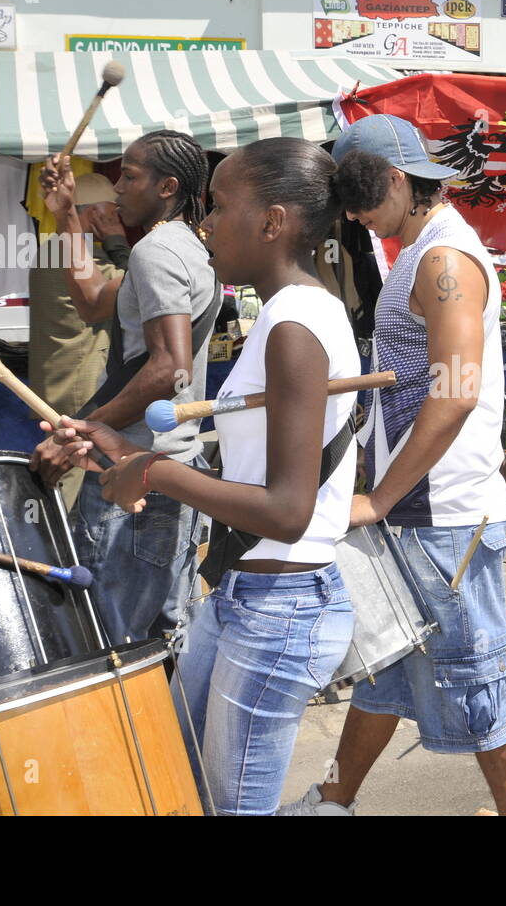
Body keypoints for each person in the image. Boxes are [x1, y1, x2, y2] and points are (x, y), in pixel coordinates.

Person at [48, 137, 359, 815]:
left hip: (282, 605)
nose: (207, 223)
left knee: (228, 806)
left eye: (219, 207)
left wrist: (154, 472)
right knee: (175, 770)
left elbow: (286, 509)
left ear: (274, 221)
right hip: (247, 592)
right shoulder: (289, 313)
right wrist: (111, 437)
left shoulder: (296, 326)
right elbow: (255, 464)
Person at [279, 114, 506, 816]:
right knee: (384, 664)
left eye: (360, 200)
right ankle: (334, 799)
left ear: (397, 178)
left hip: (444, 512)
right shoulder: (419, 251)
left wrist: (382, 496)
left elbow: (455, 392)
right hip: (424, 509)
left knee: (482, 681)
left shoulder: (444, 261)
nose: (356, 218)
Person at [30, 131, 219, 646]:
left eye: (130, 176)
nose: (117, 188)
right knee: (162, 637)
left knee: (107, 642)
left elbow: (169, 367)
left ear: (168, 186)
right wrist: (66, 212)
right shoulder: (185, 247)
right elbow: (92, 300)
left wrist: (90, 426)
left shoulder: (156, 250)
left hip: (131, 473)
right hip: (166, 468)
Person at [28, 173, 129, 508]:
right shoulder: (78, 259)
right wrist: (116, 241)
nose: (120, 220)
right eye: (112, 214)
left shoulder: (52, 250)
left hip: (61, 380)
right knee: (71, 485)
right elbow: (139, 288)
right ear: (94, 215)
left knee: (70, 476)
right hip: (79, 387)